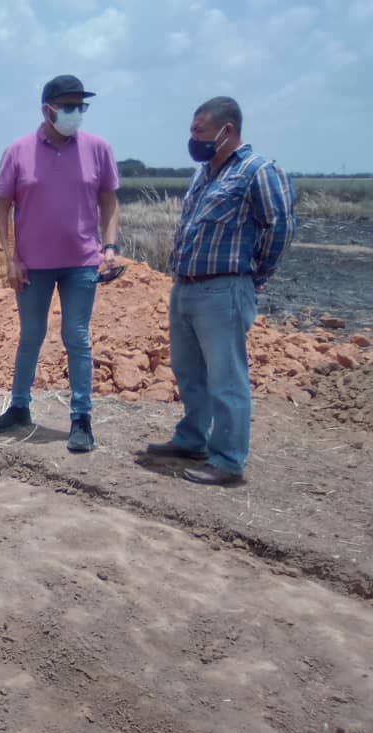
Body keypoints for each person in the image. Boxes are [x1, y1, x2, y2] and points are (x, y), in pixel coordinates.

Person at [145, 96, 295, 485]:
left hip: (223, 290)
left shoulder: (257, 171)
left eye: (199, 131)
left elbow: (279, 229)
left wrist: (252, 278)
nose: (192, 139)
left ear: (226, 131)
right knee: (188, 371)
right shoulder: (205, 174)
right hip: (186, 288)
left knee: (226, 377)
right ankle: (193, 439)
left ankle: (227, 460)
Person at [0, 74, 121, 452]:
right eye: (68, 106)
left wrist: (109, 247)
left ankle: (81, 418)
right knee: (31, 335)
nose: (75, 113)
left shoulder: (98, 149)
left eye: (81, 106)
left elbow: (110, 202)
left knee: (76, 337)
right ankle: (19, 407)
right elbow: (0, 209)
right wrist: (7, 258)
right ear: (47, 110)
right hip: (32, 265)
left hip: (82, 262)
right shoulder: (18, 151)